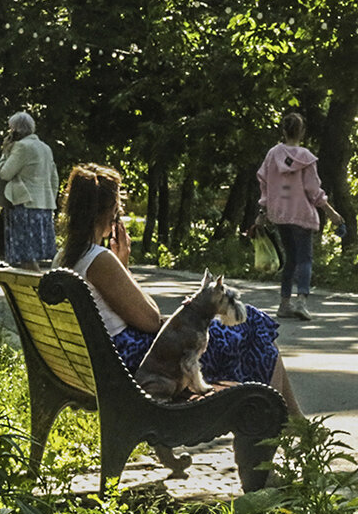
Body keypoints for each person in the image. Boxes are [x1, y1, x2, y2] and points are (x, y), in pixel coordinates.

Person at [54, 163, 303, 417]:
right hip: (136, 362)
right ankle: (280, 424)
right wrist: (124, 267)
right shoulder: (99, 260)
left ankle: (284, 422)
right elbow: (151, 320)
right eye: (117, 207)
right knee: (250, 326)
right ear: (106, 212)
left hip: (104, 359)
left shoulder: (65, 257)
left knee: (247, 328)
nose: (119, 213)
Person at [256, 112, 344, 320]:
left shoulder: (272, 155)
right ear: (302, 132)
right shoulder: (306, 158)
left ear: (284, 131)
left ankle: (284, 303)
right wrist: (331, 213)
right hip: (301, 214)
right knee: (305, 259)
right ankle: (301, 302)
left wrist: (262, 211)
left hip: (280, 214)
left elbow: (265, 184)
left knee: (291, 259)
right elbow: (314, 191)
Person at [0, 112, 59, 270]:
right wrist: (50, 197)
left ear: (15, 129)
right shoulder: (45, 148)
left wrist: (5, 152)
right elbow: (54, 179)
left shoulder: (22, 147)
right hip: (44, 204)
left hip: (24, 204)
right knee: (33, 257)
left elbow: (4, 173)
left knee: (26, 258)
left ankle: (37, 290)